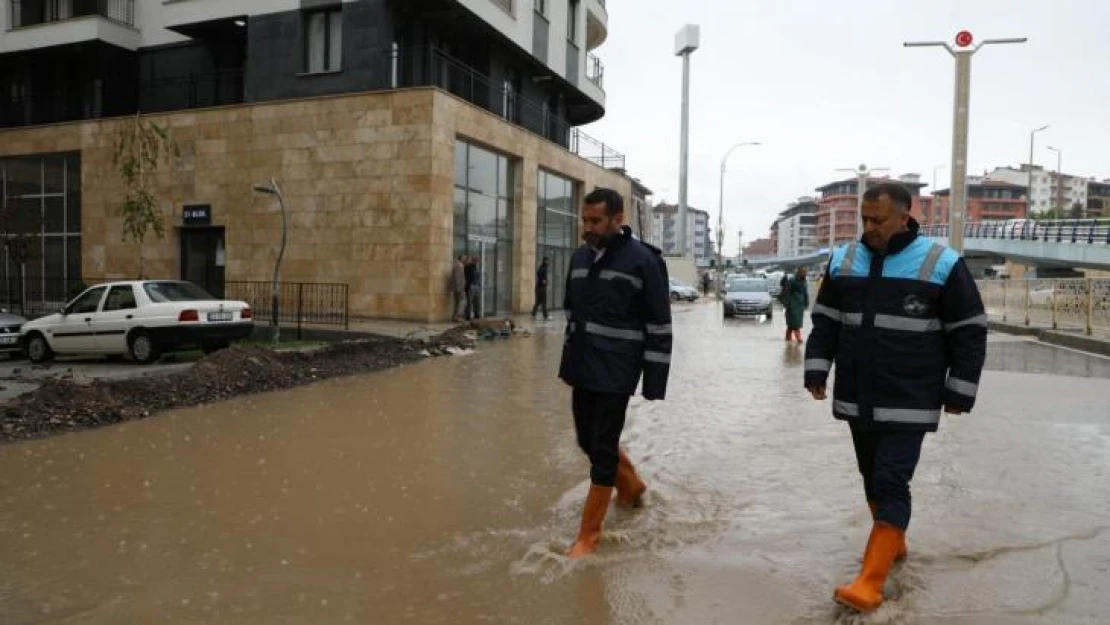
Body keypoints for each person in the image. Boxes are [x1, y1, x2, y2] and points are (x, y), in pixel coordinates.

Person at [804, 182, 987, 613]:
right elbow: (826, 320)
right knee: (871, 478)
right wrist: (816, 368)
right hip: (857, 395)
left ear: (904, 217)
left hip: (912, 396)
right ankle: (893, 543)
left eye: (878, 220)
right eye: (865, 219)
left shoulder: (940, 263)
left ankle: (871, 580)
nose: (869, 228)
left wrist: (960, 390)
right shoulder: (844, 259)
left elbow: (970, 330)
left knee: (891, 480)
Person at [559, 187, 673, 559]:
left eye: (596, 221)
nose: (587, 227)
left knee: (603, 448)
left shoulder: (644, 261)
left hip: (618, 370)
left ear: (617, 220)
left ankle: (588, 536)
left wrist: (654, 382)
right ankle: (632, 487)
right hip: (583, 367)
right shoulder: (578, 258)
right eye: (585, 219)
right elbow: (572, 317)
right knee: (586, 442)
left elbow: (659, 325)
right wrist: (568, 367)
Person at [783, 266, 809, 342]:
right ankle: (798, 338)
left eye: (805, 272)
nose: (805, 274)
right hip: (792, 305)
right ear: (799, 272)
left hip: (800, 305)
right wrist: (787, 304)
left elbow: (805, 293)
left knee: (791, 325)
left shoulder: (804, 281)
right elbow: (786, 292)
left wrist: (806, 303)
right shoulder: (792, 280)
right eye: (803, 272)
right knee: (795, 323)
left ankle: (788, 339)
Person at [451, 255, 467, 322]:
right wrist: (459, 287)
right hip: (459, 288)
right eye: (464, 258)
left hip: (458, 287)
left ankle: (456, 316)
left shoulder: (458, 265)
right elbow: (457, 277)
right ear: (461, 258)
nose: (465, 259)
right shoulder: (459, 265)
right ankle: (457, 316)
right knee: (463, 302)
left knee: (458, 303)